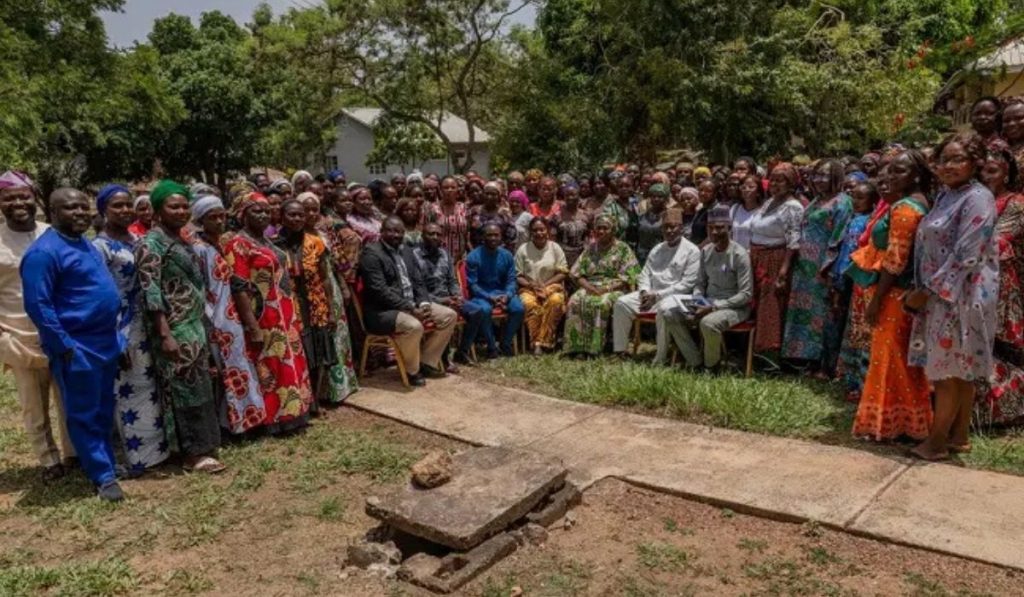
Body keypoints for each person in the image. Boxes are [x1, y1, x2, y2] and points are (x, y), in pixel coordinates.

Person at [22, 188, 124, 500]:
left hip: (105, 341)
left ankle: (106, 461)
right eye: (71, 208)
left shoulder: (84, 244)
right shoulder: (43, 253)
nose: (80, 213)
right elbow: (38, 305)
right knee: (84, 412)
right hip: (77, 346)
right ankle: (103, 476)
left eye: (84, 207)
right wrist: (64, 345)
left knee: (104, 407)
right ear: (52, 213)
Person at [907, 136, 997, 459]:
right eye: (944, 159)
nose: (948, 165)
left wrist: (926, 292)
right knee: (961, 367)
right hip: (943, 293)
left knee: (946, 370)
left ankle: (936, 443)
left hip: (961, 295)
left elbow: (967, 255)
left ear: (974, 162)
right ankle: (959, 436)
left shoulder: (978, 198)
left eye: (957, 159)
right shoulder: (946, 195)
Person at [136, 181, 224, 473]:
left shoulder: (183, 239)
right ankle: (190, 453)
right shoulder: (151, 243)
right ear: (159, 210)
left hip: (194, 324)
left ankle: (206, 443)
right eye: (173, 206)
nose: (181, 211)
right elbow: (151, 292)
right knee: (183, 387)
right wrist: (164, 333)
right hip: (173, 328)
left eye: (185, 206)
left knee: (199, 385)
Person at [0, 172, 75, 482]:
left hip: (58, 330)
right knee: (33, 403)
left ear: (34, 198)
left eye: (24, 196)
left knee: (68, 397)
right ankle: (48, 460)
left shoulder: (51, 234)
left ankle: (73, 454)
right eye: (9, 197)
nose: (18, 202)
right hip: (16, 333)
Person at [92, 184, 168, 474]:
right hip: (121, 326)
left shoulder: (138, 239)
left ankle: (158, 452)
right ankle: (136, 459)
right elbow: (102, 295)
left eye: (128, 205)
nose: (125, 210)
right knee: (129, 390)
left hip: (146, 320)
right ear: (103, 211)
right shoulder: (99, 248)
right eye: (117, 206)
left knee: (150, 388)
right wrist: (113, 337)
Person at [224, 191, 314, 433]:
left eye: (266, 210)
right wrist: (252, 325)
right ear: (243, 215)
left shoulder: (267, 242)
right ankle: (274, 419)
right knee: (270, 366)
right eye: (256, 210)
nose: (263, 215)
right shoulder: (238, 244)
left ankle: (296, 413)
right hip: (264, 317)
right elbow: (239, 287)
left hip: (285, 314)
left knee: (289, 362)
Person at [190, 196, 267, 434]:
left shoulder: (221, 245)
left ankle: (240, 422)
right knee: (223, 374)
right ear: (201, 220)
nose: (219, 221)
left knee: (237, 369)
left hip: (231, 319)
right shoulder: (199, 250)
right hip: (214, 320)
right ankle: (227, 426)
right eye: (212, 217)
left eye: (222, 215)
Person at [358, 217, 457, 386]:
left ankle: (426, 362)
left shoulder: (407, 251)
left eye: (400, 232)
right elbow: (379, 290)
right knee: (413, 326)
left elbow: (418, 282)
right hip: (382, 311)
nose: (396, 235)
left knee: (449, 316)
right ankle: (412, 370)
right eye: (391, 230)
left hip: (412, 304)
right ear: (381, 232)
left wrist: (424, 304)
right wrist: (410, 308)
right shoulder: (371, 253)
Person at [782, 159, 853, 373]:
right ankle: (805, 358)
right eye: (816, 175)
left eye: (825, 175)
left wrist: (829, 268)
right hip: (805, 268)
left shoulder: (843, 202)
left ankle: (825, 364)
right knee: (805, 314)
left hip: (824, 268)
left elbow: (839, 238)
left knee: (825, 315)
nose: (819, 180)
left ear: (836, 178)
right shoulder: (815, 201)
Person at [664, 206, 752, 369]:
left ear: (729, 228)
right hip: (707, 302)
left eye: (719, 228)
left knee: (708, 323)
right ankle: (694, 361)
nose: (714, 232)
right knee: (670, 314)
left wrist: (713, 307)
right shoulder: (706, 251)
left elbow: (746, 294)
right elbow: (700, 283)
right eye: (710, 228)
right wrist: (698, 301)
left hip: (734, 307)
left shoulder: (739, 255)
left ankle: (711, 367)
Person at [974, 150, 1024, 426]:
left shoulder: (1016, 204)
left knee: (1000, 348)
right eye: (981, 171)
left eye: (992, 171)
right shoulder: (976, 201)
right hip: (972, 282)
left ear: (1007, 173)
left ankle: (1008, 408)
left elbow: (997, 242)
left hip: (1001, 285)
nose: (985, 177)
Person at [274, 198, 339, 412]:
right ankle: (298, 400)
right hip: (289, 308)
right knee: (298, 353)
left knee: (318, 355)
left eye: (300, 215)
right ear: (281, 217)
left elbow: (325, 277)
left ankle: (315, 401)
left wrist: (330, 309)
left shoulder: (315, 242)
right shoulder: (274, 245)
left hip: (316, 305)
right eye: (292, 214)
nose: (297, 218)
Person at [611, 208, 700, 364]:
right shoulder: (657, 249)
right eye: (666, 227)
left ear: (682, 228)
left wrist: (657, 295)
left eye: (674, 226)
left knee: (664, 309)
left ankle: (660, 357)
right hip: (651, 295)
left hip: (677, 298)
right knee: (622, 303)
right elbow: (645, 274)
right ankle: (621, 351)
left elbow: (687, 284)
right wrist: (645, 292)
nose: (670, 231)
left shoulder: (692, 251)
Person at [747, 163, 804, 363]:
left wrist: (783, 272)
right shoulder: (769, 201)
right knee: (756, 303)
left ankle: (769, 355)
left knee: (770, 306)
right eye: (773, 179)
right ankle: (753, 350)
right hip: (757, 257)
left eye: (781, 180)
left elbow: (793, 241)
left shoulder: (792, 207)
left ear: (791, 184)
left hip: (775, 259)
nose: (775, 184)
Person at [564, 215, 640, 357]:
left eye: (605, 228)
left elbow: (630, 276)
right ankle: (577, 347)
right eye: (598, 228)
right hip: (591, 285)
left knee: (601, 303)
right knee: (574, 301)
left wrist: (606, 289)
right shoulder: (591, 248)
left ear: (613, 230)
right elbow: (576, 273)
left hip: (615, 287)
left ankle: (595, 348)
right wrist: (588, 288)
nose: (601, 231)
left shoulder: (623, 249)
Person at [412, 222, 484, 367]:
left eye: (438, 234)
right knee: (449, 315)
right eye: (431, 234)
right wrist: (443, 301)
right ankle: (443, 359)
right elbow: (417, 289)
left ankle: (462, 352)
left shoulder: (444, 253)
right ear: (422, 236)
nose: (435, 237)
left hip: (449, 298)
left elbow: (451, 280)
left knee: (476, 311)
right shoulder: (414, 256)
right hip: (427, 300)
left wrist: (457, 296)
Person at [835, 181, 881, 401]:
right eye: (853, 197)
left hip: (864, 279)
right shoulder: (855, 219)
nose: (855, 201)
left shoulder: (870, 221)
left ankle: (862, 385)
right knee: (853, 332)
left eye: (861, 198)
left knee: (863, 334)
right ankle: (851, 381)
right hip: (853, 280)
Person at [465, 224, 525, 357]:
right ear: (483, 237)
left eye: (496, 235)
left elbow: (511, 280)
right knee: (484, 310)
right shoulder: (473, 256)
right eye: (489, 235)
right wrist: (488, 297)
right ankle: (491, 346)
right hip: (481, 295)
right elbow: (472, 285)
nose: (493, 238)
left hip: (502, 293)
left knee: (518, 309)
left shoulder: (507, 255)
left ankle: (505, 343)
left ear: (501, 237)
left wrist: (508, 295)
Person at [516, 217, 569, 355]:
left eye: (542, 229)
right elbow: (518, 275)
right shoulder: (523, 249)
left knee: (555, 301)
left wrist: (545, 286)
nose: (539, 233)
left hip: (551, 286)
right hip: (529, 288)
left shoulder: (555, 247)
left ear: (547, 231)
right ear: (530, 232)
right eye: (535, 230)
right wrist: (532, 286)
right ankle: (536, 343)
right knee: (529, 303)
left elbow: (563, 272)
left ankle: (544, 342)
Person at [425, 176, 471, 262]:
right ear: (440, 190)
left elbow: (467, 235)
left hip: (461, 258)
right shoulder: (433, 209)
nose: (449, 190)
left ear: (457, 189)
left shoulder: (464, 208)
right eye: (446, 188)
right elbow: (426, 232)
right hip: (438, 257)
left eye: (453, 187)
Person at [549, 182, 592, 266]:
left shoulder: (586, 215)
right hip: (562, 256)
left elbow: (590, 236)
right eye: (567, 195)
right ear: (564, 197)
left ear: (578, 196)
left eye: (573, 195)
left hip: (582, 256)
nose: (570, 197)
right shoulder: (556, 217)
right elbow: (552, 239)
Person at [469, 182, 517, 252]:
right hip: (478, 254)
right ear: (483, 194)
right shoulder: (474, 211)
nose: (489, 197)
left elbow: (511, 237)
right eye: (487, 193)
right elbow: (468, 235)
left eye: (493, 194)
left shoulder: (505, 213)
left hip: (499, 254)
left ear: (499, 196)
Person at [634, 183, 669, 264]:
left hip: (661, 257)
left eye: (660, 196)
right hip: (642, 257)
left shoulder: (669, 216)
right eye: (653, 196)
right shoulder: (642, 216)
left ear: (666, 199)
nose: (656, 199)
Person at [603, 174, 639, 251]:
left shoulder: (637, 204)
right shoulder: (610, 207)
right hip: (617, 249)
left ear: (633, 187)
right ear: (616, 188)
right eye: (621, 186)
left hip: (636, 249)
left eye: (627, 186)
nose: (624, 189)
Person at [731, 175, 763, 250]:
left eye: (751, 187)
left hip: (753, 256)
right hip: (735, 256)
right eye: (743, 187)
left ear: (758, 192)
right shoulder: (735, 208)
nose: (746, 190)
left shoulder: (763, 212)